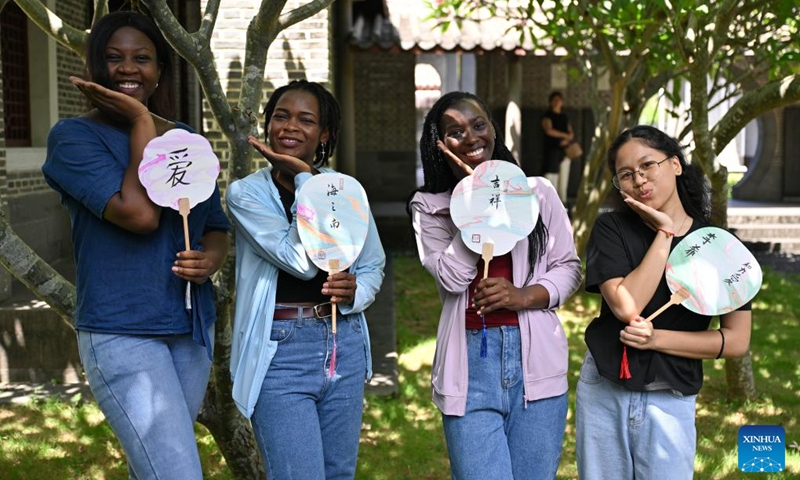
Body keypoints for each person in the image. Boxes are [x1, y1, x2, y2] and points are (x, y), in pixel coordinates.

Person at [42, 11, 230, 480]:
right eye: (114, 57)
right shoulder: (72, 138)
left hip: (189, 331)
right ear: (95, 67)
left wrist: (209, 259)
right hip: (122, 331)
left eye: (141, 58)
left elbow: (216, 227)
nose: (128, 68)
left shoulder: (184, 140)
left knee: (155, 468)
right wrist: (143, 120)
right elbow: (140, 215)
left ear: (160, 70)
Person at [408, 91, 582, 479]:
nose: (470, 137)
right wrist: (477, 205)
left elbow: (568, 267)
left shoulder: (537, 193)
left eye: (479, 125)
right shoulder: (429, 206)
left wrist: (523, 296)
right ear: (439, 144)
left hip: (535, 361)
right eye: (455, 131)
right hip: (470, 366)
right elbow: (452, 278)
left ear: (493, 130)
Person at [227, 79, 385, 480]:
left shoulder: (347, 192)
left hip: (341, 343)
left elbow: (371, 266)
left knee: (338, 474)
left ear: (324, 134)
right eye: (281, 116)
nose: (290, 127)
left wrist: (354, 293)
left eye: (305, 119)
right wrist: (304, 181)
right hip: (280, 350)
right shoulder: (245, 194)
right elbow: (298, 259)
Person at [575, 125, 753, 480]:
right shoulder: (611, 229)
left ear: (674, 164)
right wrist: (665, 232)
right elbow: (627, 307)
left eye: (647, 166)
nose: (639, 179)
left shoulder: (718, 245)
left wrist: (657, 340)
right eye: (626, 175)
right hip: (605, 387)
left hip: (672, 394)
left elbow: (735, 340)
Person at [541, 91, 575, 203]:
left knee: (563, 181)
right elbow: (549, 130)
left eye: (559, 100)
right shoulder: (547, 116)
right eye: (554, 100)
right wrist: (564, 135)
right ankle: (550, 204)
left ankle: (563, 204)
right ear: (551, 102)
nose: (556, 102)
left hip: (564, 152)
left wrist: (567, 138)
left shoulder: (564, 117)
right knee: (551, 179)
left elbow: (571, 132)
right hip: (552, 152)